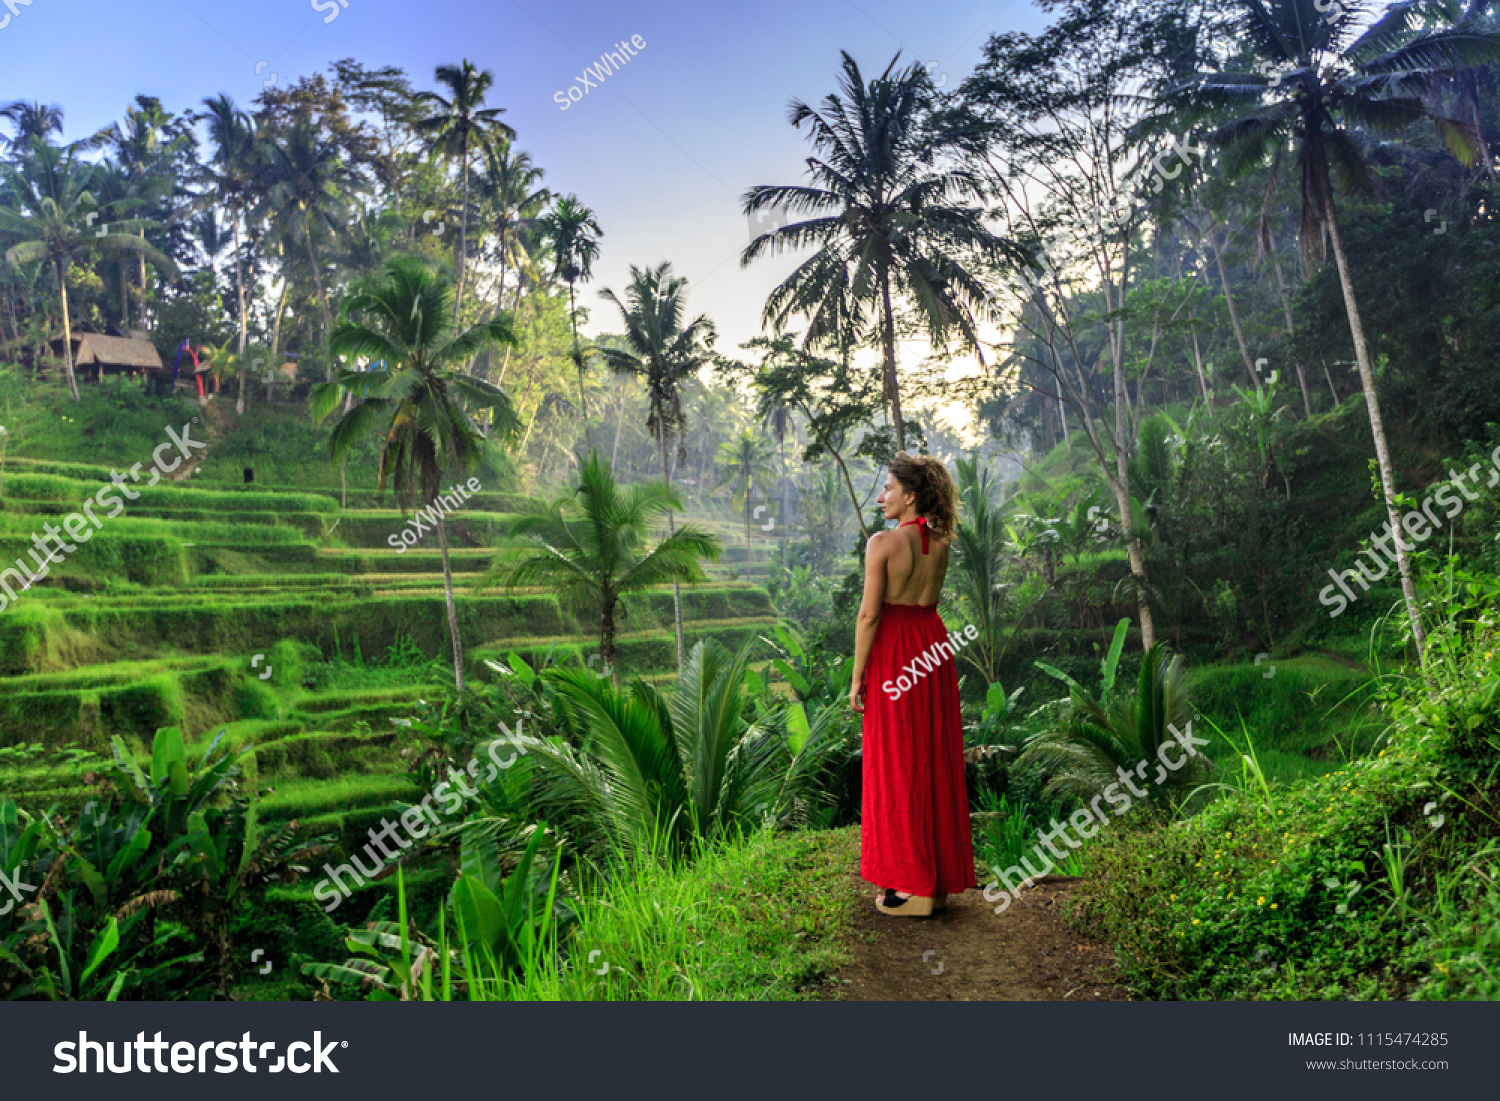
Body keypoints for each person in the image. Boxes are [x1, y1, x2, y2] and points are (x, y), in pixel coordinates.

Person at [849, 453, 976, 917]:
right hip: (933, 646)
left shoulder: (882, 543)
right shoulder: (940, 541)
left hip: (896, 649)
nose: (881, 496)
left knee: (896, 761)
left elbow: (869, 615)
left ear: (910, 496)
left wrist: (859, 675)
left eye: (888, 488)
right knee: (932, 756)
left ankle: (909, 886)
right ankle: (934, 883)